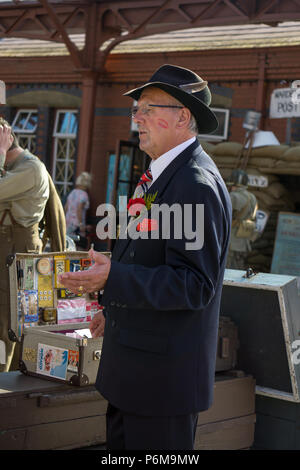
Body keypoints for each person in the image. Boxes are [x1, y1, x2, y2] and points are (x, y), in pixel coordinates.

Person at [59, 64, 232, 450]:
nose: (136, 117)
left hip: (162, 385)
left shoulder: (194, 183)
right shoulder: (164, 174)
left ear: (182, 117)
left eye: (147, 108)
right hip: (137, 375)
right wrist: (114, 306)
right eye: (136, 108)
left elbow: (194, 285)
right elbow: (148, 259)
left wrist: (112, 278)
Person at [0, 118, 49, 372]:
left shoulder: (30, 169)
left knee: (6, 320)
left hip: (16, 248)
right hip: (7, 246)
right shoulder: (13, 167)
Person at [226, 169, 258, 270]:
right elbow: (254, 217)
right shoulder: (252, 197)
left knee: (227, 274)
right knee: (238, 272)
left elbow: (223, 217)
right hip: (244, 242)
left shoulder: (232, 196)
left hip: (231, 243)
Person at [64, 171, 91, 245]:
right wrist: (80, 224)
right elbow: (79, 209)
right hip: (76, 225)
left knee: (68, 243)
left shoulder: (72, 192)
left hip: (67, 222)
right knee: (77, 244)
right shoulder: (84, 195)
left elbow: (66, 207)